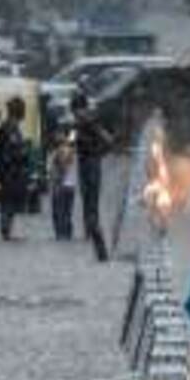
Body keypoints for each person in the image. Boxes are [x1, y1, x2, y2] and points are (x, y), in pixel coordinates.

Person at [71, 92, 114, 262]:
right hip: (85, 164)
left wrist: (96, 154)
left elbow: (108, 140)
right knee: (87, 199)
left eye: (76, 111)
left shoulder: (90, 122)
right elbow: (73, 140)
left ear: (81, 109)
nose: (75, 115)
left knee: (91, 200)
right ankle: (89, 232)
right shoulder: (79, 124)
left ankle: (96, 238)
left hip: (91, 165)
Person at [0, 96, 29, 241]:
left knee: (8, 201)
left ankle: (6, 230)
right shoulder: (10, 127)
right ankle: (6, 231)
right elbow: (12, 149)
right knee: (9, 201)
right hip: (11, 170)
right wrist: (23, 152)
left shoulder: (8, 126)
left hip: (8, 169)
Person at [47, 120, 76, 241]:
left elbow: (62, 167)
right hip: (70, 185)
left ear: (64, 135)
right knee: (67, 212)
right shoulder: (69, 149)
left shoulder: (62, 150)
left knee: (59, 213)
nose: (55, 135)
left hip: (61, 186)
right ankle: (67, 234)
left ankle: (61, 235)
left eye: (59, 133)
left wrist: (57, 182)